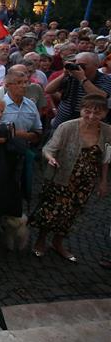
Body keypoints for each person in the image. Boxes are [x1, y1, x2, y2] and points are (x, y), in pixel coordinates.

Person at [30, 94, 110, 262]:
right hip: (61, 177)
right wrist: (50, 157)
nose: (91, 116)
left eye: (97, 113)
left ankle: (58, 243)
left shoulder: (107, 131)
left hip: (85, 182)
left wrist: (103, 181)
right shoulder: (67, 127)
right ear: (81, 110)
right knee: (50, 210)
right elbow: (49, 148)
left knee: (72, 213)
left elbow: (106, 158)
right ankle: (41, 240)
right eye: (87, 111)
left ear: (104, 114)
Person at [46, 52, 111, 128]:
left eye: (82, 65)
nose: (79, 67)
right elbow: (48, 90)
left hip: (88, 124)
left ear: (96, 65)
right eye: (77, 64)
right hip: (61, 122)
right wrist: (64, 74)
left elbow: (101, 97)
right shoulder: (71, 76)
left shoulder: (106, 79)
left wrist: (82, 79)